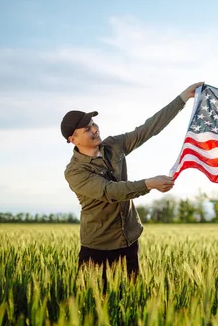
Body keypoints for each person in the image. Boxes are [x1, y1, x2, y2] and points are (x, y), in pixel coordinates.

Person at [61, 82, 203, 285]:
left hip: (129, 241)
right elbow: (110, 191)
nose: (95, 129)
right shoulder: (75, 172)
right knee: (93, 307)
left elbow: (147, 129)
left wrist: (182, 99)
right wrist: (149, 184)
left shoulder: (113, 145)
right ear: (73, 139)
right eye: (87, 129)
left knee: (132, 303)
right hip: (97, 248)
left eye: (94, 124)